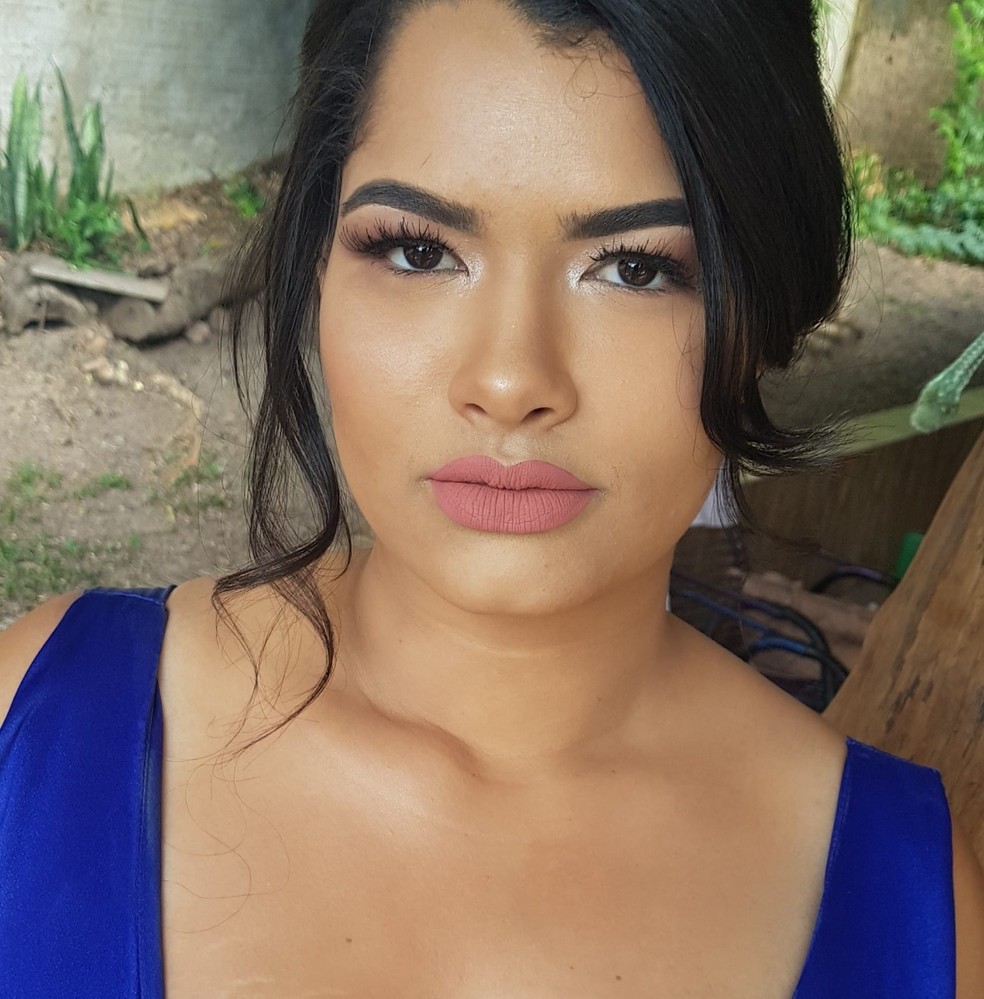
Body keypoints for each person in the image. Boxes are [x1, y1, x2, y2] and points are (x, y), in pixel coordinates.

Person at [1, 0, 983, 994]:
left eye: (636, 267)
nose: (511, 380)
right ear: (317, 267)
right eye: (418, 251)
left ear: (763, 319)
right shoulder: (41, 726)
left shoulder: (910, 906)